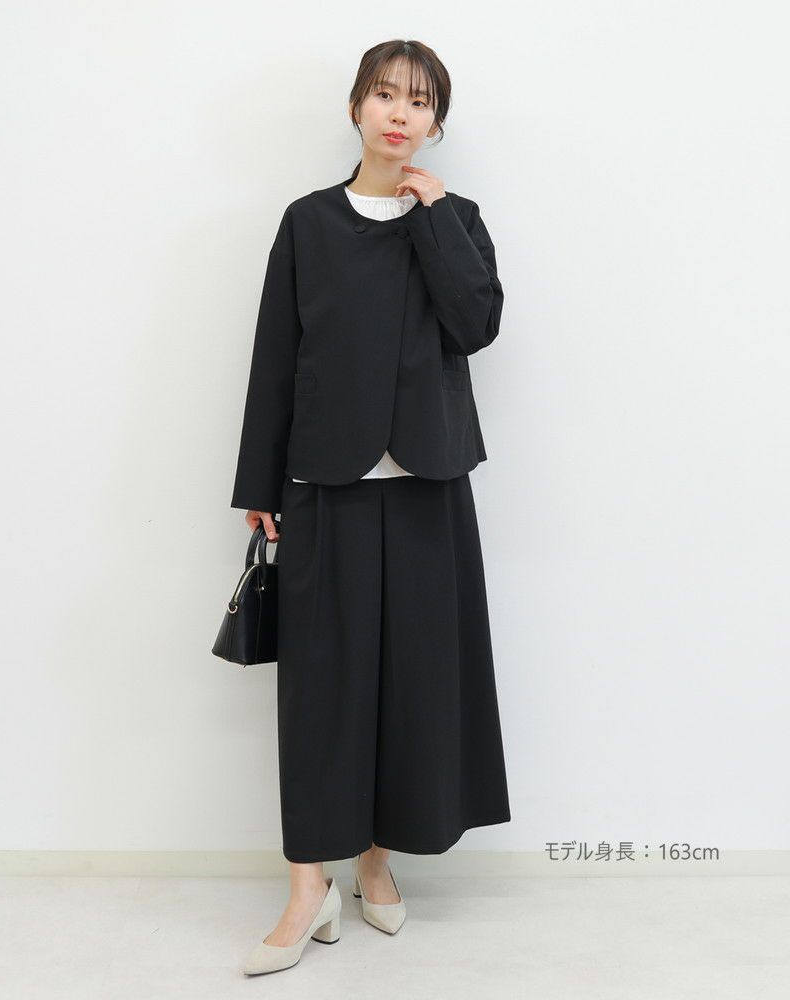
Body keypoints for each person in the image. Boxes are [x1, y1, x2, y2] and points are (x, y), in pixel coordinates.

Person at [231, 39, 512, 976]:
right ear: (357, 107)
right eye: (385, 94)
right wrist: (258, 487)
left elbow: (476, 324)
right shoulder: (307, 222)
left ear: (436, 121)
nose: (400, 112)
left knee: (415, 683)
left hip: (430, 486)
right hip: (325, 487)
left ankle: (378, 864)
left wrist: (431, 217)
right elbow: (276, 356)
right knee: (321, 691)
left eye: (419, 101)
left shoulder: (456, 219)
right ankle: (307, 885)